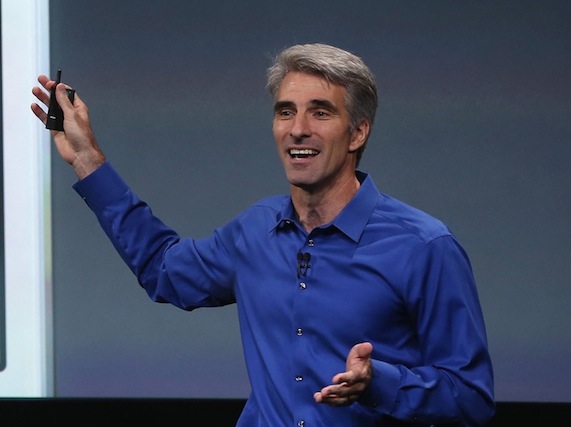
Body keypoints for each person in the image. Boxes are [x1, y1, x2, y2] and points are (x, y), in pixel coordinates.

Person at [31, 43, 495, 426]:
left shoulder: (424, 247)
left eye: (320, 113)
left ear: (357, 132)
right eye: (285, 112)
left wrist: (380, 383)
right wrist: (88, 160)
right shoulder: (255, 231)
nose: (298, 129)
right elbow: (163, 269)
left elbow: (471, 398)